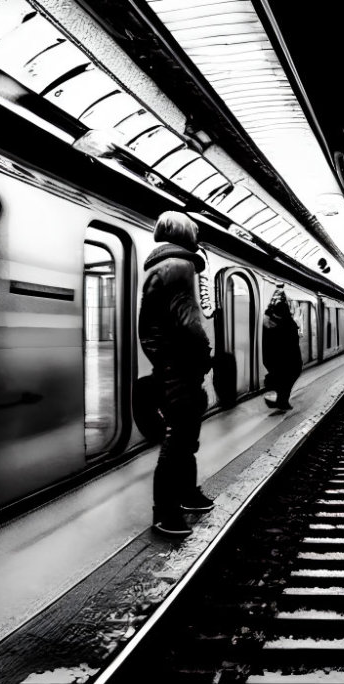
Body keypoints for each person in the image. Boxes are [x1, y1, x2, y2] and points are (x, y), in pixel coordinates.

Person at [138, 211, 215, 537]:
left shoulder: (161, 267)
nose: (198, 234)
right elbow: (187, 322)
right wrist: (204, 353)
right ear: (184, 232)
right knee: (179, 437)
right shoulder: (179, 267)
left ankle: (187, 495)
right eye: (195, 230)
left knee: (184, 434)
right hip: (180, 364)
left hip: (170, 362)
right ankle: (165, 512)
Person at [262, 285, 303, 410]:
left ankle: (276, 398)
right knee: (287, 379)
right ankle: (282, 400)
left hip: (271, 357)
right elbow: (293, 343)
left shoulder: (267, 323)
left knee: (277, 377)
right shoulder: (289, 324)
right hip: (289, 358)